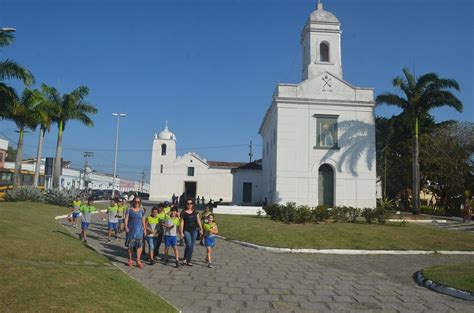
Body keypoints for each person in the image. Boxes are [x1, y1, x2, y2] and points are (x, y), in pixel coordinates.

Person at [179, 199, 203, 266]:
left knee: (191, 246)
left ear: (193, 204)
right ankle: (185, 258)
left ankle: (188, 260)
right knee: (189, 245)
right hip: (186, 231)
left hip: (194, 231)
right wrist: (181, 232)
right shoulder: (183, 212)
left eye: (191, 203)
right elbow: (181, 223)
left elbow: (198, 221)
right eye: (188, 203)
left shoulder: (196, 212)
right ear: (186, 204)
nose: (189, 205)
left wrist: (201, 229)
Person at [124, 197, 146, 268]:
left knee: (139, 246)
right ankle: (130, 260)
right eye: (135, 202)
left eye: (138, 202)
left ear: (140, 203)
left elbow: (143, 220)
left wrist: (145, 228)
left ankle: (138, 260)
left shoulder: (142, 210)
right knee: (130, 245)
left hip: (139, 230)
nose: (137, 203)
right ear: (133, 202)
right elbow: (126, 219)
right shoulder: (129, 210)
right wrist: (126, 226)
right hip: (131, 230)